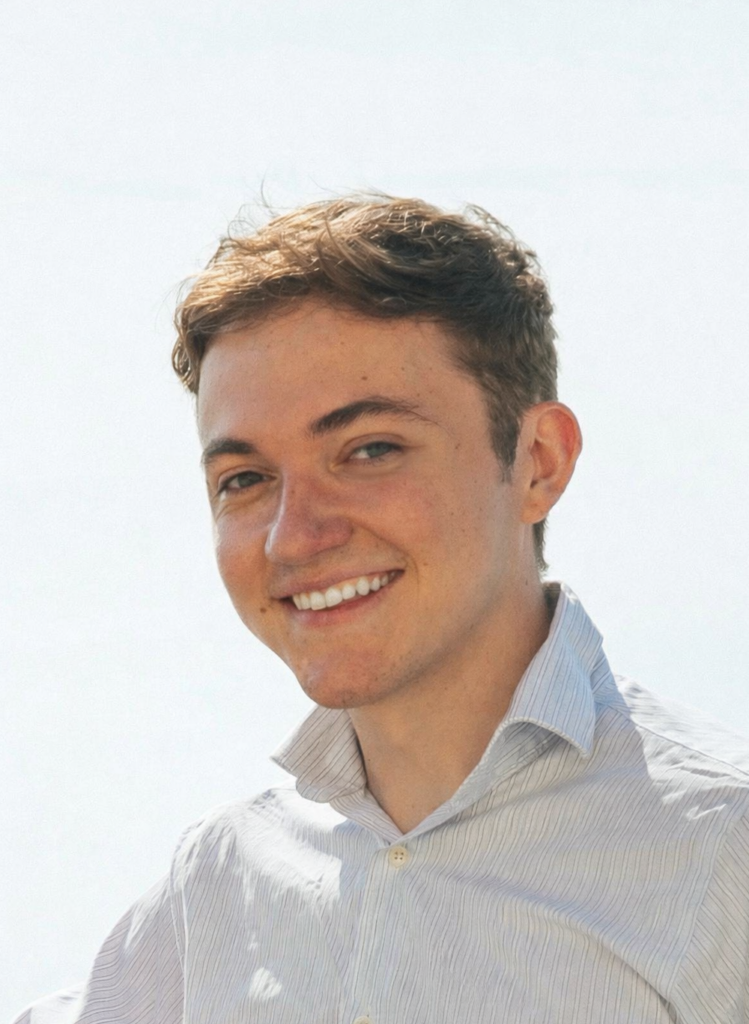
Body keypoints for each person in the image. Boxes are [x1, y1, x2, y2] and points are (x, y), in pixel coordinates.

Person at [14, 195, 749, 1024]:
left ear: (537, 461)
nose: (294, 538)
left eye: (368, 450)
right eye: (245, 480)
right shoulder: (217, 891)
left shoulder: (724, 850)